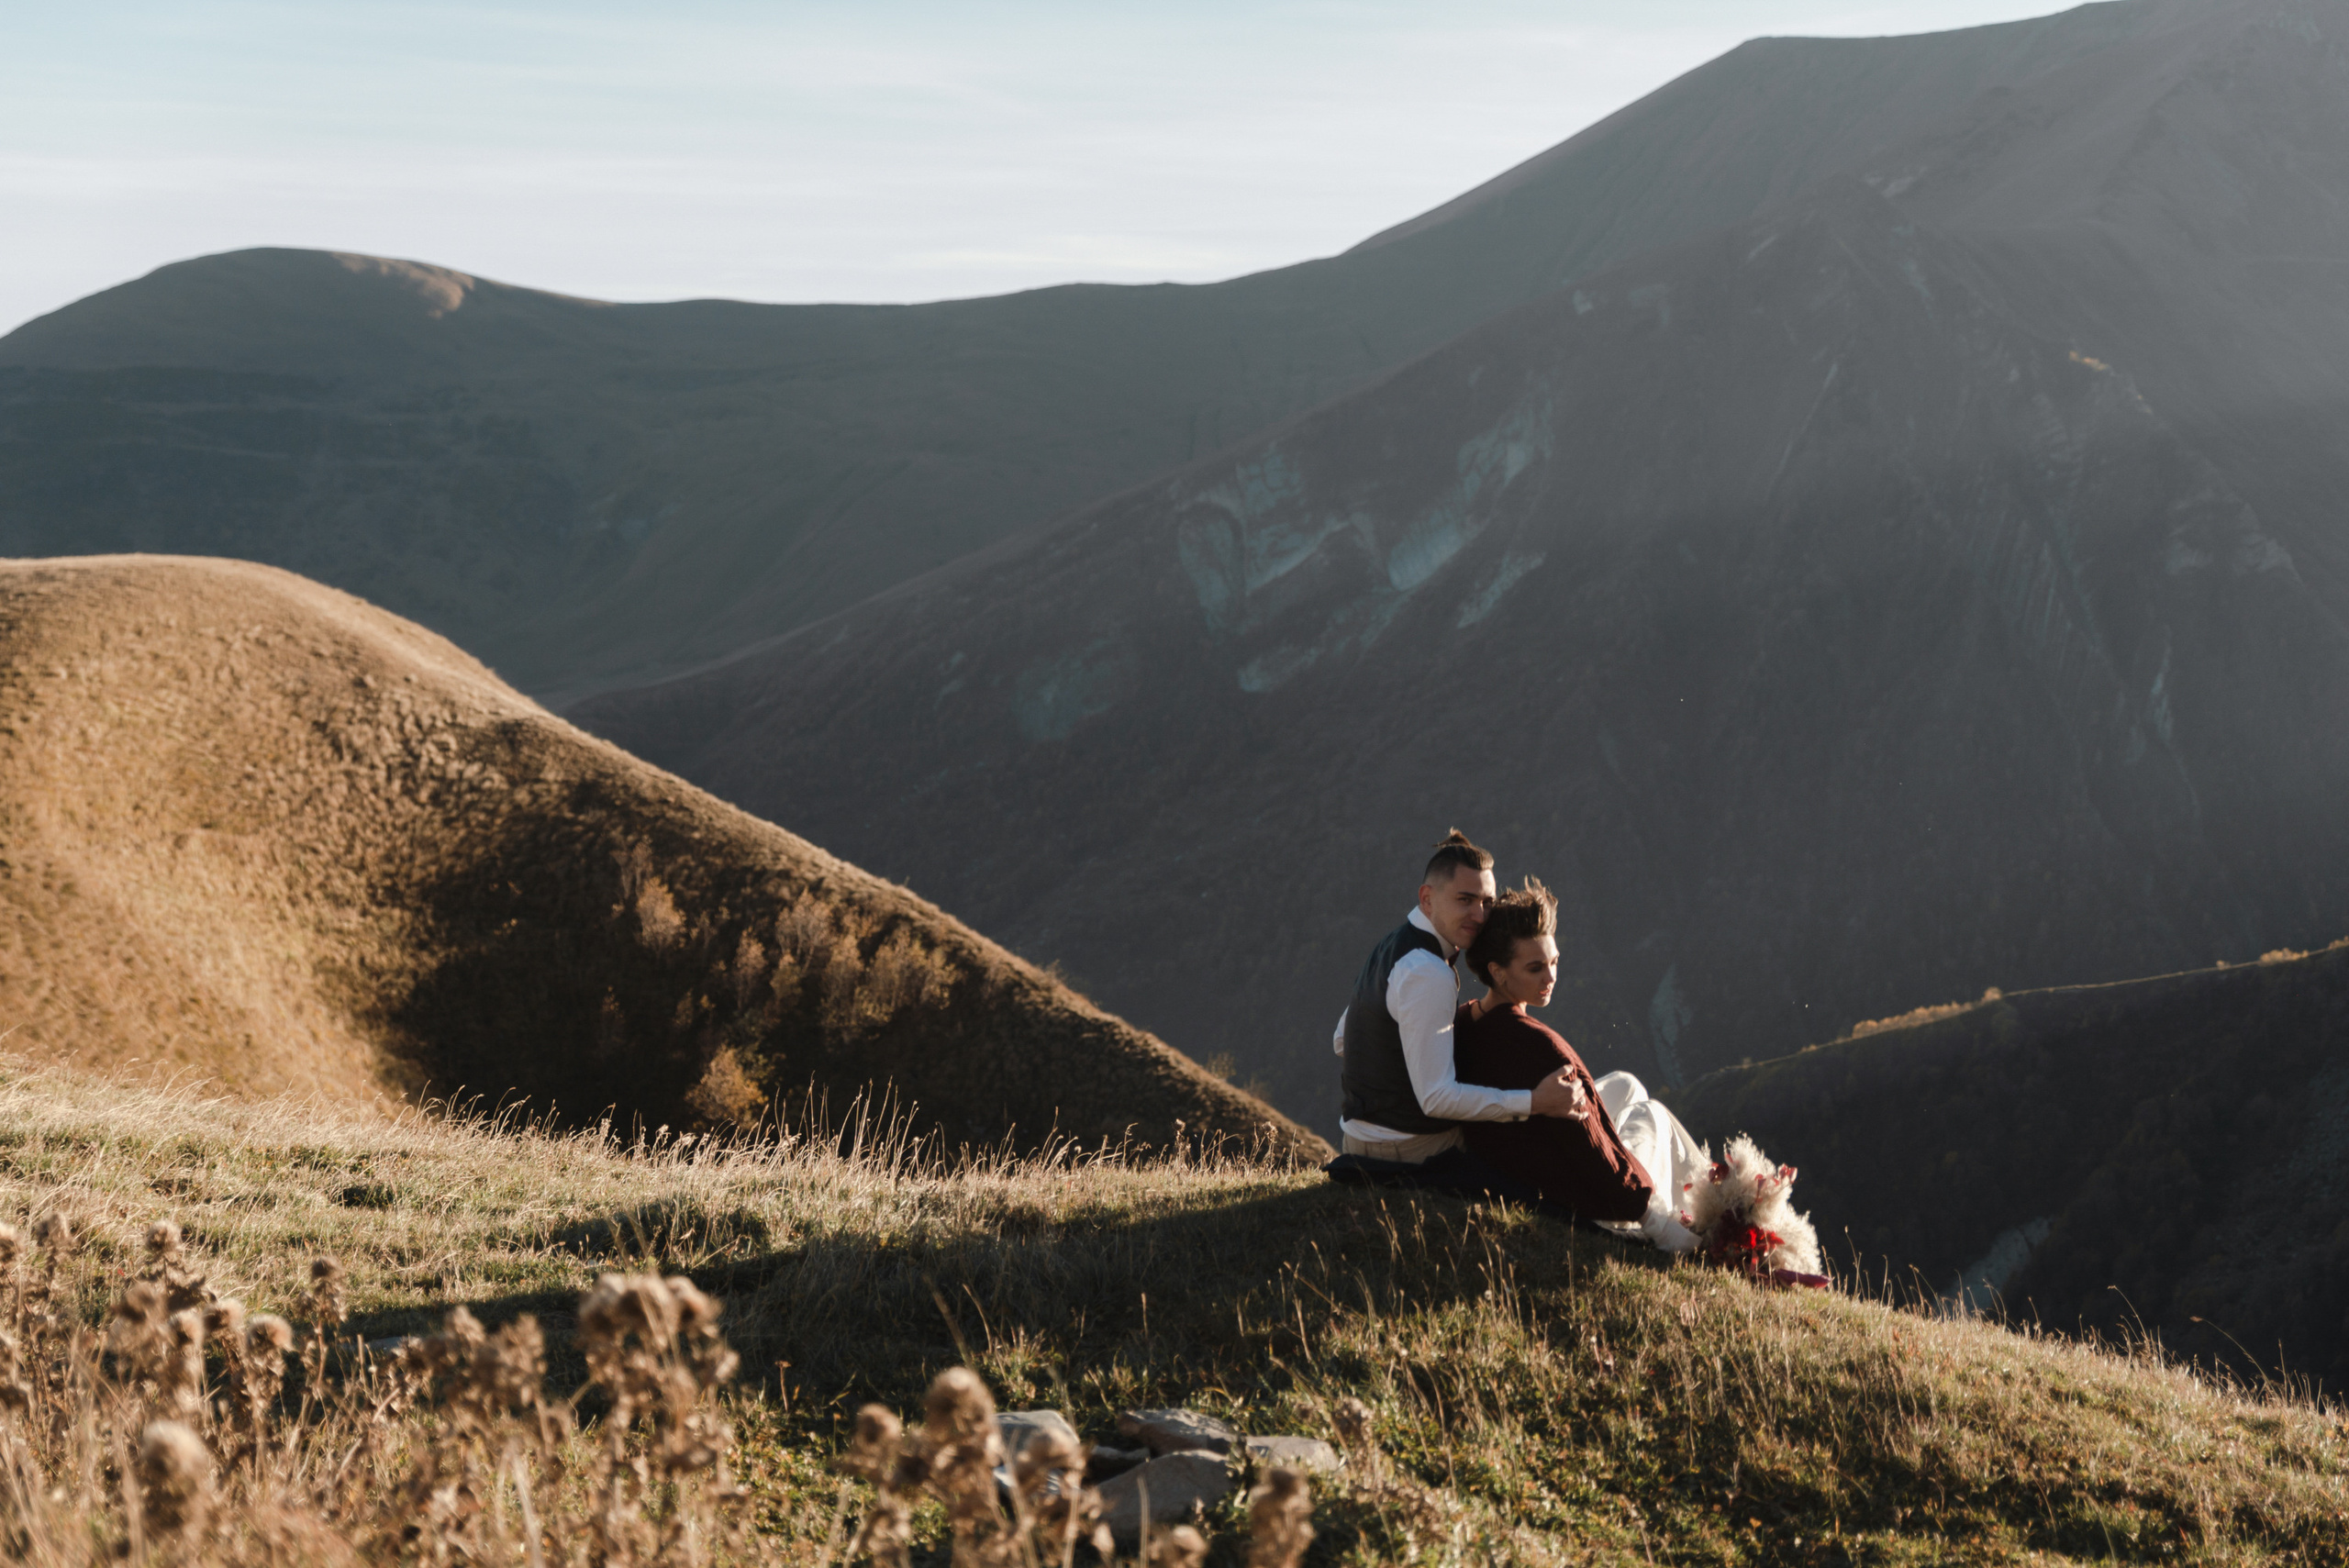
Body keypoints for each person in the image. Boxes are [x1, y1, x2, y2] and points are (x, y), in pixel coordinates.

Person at [1455, 878, 1703, 1252]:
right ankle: (1689, 1218)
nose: (1551, 977)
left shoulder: (1467, 1020)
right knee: (1653, 1114)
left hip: (1524, 1158)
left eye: (1554, 962)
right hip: (1581, 1201)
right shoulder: (1537, 1046)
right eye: (1536, 968)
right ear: (1499, 971)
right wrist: (1642, 1210)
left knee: (1627, 1084)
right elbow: (1587, 1145)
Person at [1332, 831, 1585, 1169]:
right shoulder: (1429, 972)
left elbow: (1342, 1040)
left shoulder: (1393, 947)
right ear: (1427, 899)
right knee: (1554, 1146)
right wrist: (1535, 1101)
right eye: (1465, 900)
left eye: (1487, 902)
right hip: (1411, 1150)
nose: (1480, 916)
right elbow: (1436, 1099)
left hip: (1360, 1140)